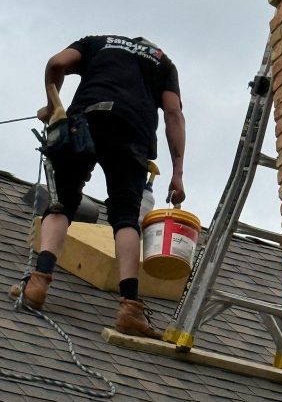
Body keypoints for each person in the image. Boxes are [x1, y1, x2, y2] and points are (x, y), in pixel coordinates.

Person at [14, 35, 185, 339]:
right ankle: (130, 308)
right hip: (131, 133)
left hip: (85, 121)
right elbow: (173, 113)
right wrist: (177, 173)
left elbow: (56, 63)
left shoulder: (97, 42)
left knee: (61, 204)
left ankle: (38, 283)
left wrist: (54, 106)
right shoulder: (162, 61)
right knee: (125, 217)